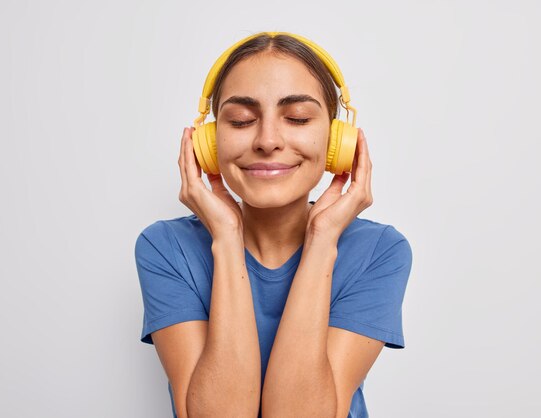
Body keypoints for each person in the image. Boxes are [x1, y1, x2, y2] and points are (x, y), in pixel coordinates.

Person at [135, 31, 413, 418]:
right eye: (241, 120)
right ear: (209, 144)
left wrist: (322, 241)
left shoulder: (380, 251)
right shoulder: (165, 247)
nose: (268, 140)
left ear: (337, 140)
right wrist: (227, 239)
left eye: (297, 118)